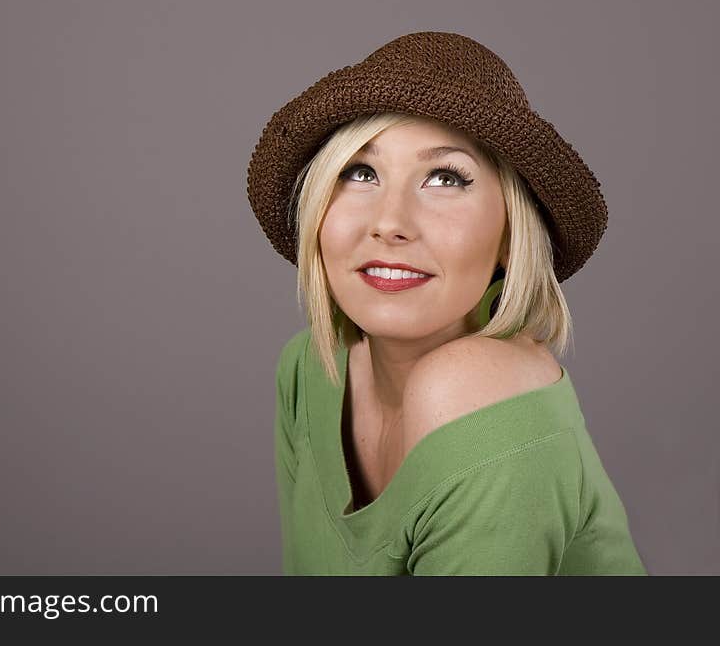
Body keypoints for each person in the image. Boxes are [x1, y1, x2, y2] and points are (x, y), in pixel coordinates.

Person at [246, 31, 649, 576]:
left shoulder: (479, 393)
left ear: (511, 234)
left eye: (444, 178)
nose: (389, 223)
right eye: (360, 172)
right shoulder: (308, 367)